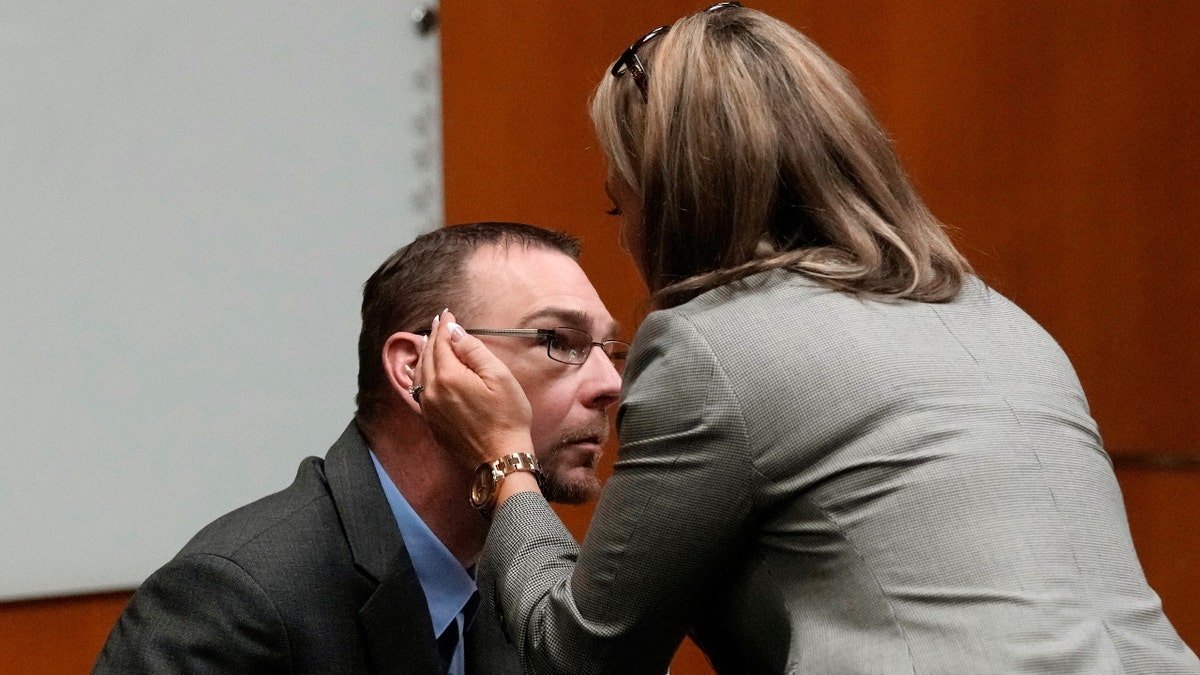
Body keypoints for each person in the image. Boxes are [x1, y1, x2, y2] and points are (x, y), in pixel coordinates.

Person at [413, 4, 1200, 674]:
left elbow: (578, 655)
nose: (627, 242)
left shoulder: (709, 345)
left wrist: (504, 459)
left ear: (679, 198)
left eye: (623, 209)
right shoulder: (1004, 320)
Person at [93, 222, 625, 674]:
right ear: (418, 369)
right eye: (558, 341)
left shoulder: (525, 574)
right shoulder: (236, 597)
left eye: (609, 349)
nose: (610, 385)